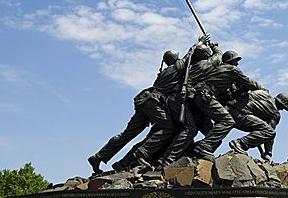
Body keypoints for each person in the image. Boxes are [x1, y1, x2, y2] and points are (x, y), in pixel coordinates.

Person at [87, 36, 208, 175]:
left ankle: (99, 156)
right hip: (153, 103)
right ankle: (142, 153)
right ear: (175, 59)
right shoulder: (176, 68)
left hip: (144, 101)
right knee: (170, 127)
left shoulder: (164, 72)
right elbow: (190, 55)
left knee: (127, 134)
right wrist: (200, 42)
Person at [187, 49, 266, 160]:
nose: (237, 64)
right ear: (231, 61)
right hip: (206, 97)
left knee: (213, 132)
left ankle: (194, 150)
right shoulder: (232, 70)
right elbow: (248, 83)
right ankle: (203, 147)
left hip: (200, 96)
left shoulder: (219, 69)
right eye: (236, 60)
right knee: (227, 121)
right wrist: (260, 88)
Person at [227, 90, 288, 159]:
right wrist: (268, 153)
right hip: (241, 116)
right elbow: (269, 133)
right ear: (281, 103)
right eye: (283, 107)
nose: (281, 109)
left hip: (230, 109)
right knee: (270, 132)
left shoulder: (263, 93)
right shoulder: (275, 113)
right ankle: (239, 143)